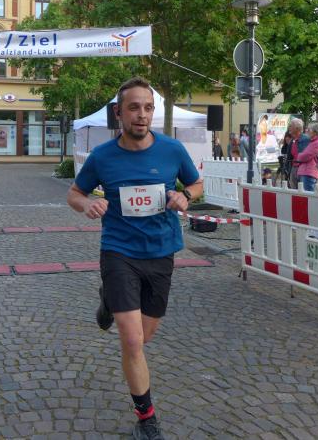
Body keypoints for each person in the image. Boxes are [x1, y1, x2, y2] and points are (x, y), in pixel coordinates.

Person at [67, 77, 203, 440]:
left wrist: (186, 196)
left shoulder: (172, 149)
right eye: (134, 108)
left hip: (161, 252)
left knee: (144, 337)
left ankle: (108, 301)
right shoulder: (102, 157)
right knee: (131, 340)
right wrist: (87, 204)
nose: (141, 115)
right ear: (119, 113)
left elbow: (196, 183)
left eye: (147, 108)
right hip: (119, 251)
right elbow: (75, 193)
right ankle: (147, 418)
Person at [294, 122, 318, 192]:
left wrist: (299, 155)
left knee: (308, 195)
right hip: (307, 171)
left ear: (315, 132)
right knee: (305, 195)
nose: (307, 131)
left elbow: (304, 156)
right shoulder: (314, 142)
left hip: (309, 172)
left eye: (309, 129)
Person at [286, 118, 310, 189]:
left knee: (303, 191)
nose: (289, 127)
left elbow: (306, 156)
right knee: (294, 191)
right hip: (294, 168)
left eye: (291, 126)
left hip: (304, 169)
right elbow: (290, 156)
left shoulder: (305, 139)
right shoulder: (293, 140)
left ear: (297, 128)